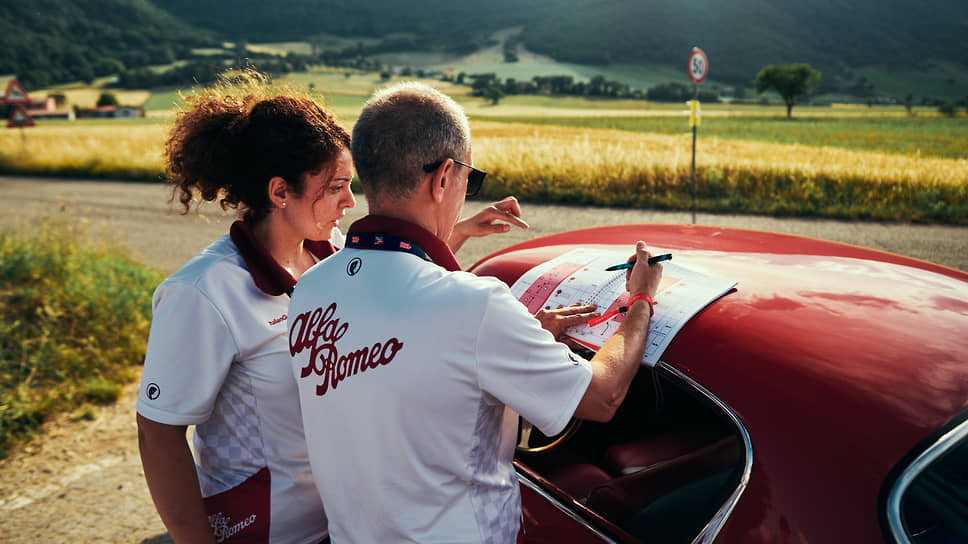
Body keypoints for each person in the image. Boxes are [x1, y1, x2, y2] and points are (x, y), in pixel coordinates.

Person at [287, 81, 663, 543]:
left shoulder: (310, 290)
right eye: (469, 177)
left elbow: (403, 374)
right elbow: (602, 397)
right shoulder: (475, 306)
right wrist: (640, 301)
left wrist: (519, 340)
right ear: (444, 177)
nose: (466, 191)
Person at [135, 78, 355, 544]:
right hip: (269, 532)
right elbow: (158, 433)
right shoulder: (202, 292)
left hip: (345, 520)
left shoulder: (328, 253)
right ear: (280, 192)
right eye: (336, 186)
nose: (350, 202)